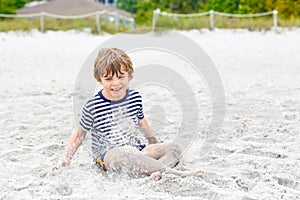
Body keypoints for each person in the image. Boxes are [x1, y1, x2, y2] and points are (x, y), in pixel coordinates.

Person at [52, 48, 203, 179]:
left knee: (174, 148)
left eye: (121, 76)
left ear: (130, 76)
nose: (116, 83)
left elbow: (142, 122)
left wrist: (154, 144)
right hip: (108, 156)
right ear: (99, 80)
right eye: (109, 78)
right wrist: (66, 158)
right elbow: (80, 134)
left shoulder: (135, 97)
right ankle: (169, 172)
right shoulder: (93, 105)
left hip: (138, 150)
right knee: (126, 152)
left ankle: (154, 171)